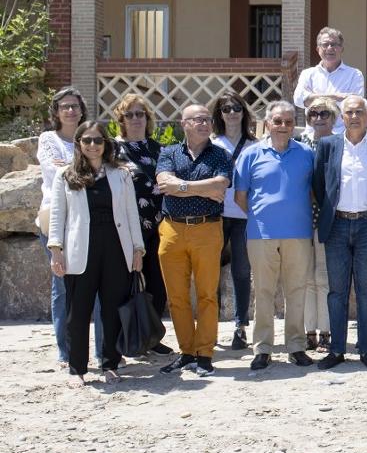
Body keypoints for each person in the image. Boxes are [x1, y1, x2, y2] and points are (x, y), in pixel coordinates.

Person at [46, 122, 145, 386]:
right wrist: (56, 250)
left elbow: (131, 214)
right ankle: (77, 368)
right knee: (78, 312)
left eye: (98, 140)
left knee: (112, 310)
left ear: (106, 143)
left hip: (116, 247)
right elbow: (57, 216)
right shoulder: (65, 175)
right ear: (78, 142)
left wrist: (138, 248)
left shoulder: (120, 174)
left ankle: (110, 364)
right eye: (87, 140)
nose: (92, 145)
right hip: (80, 250)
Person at [311, 95, 367, 370]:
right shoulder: (328, 145)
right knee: (337, 291)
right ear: (342, 116)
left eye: (359, 112)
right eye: (348, 112)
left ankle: (366, 349)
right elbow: (318, 183)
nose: (353, 116)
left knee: (366, 290)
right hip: (337, 225)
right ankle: (337, 350)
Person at [232, 101, 317, 370]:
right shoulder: (251, 154)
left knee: (296, 291)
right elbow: (240, 197)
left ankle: (296, 346)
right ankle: (263, 348)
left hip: (298, 233)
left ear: (294, 125)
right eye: (277, 121)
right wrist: (263, 216)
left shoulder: (306, 154)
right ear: (268, 123)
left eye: (289, 122)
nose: (283, 126)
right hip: (261, 234)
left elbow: (313, 192)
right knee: (265, 292)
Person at [155, 103, 232, 376]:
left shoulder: (220, 155)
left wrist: (181, 187)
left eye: (207, 119)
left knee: (207, 295)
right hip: (172, 231)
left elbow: (220, 185)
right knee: (176, 297)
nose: (204, 123)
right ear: (184, 124)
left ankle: (205, 354)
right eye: (197, 119)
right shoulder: (168, 152)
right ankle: (186, 352)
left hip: (207, 230)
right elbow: (164, 183)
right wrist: (202, 189)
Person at [111, 94, 171, 353]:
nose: (136, 119)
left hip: (159, 226)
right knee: (124, 283)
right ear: (121, 120)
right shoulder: (112, 150)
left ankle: (151, 337)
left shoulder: (161, 150)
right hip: (125, 227)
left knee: (158, 283)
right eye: (130, 115)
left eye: (140, 114)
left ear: (148, 118)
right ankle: (124, 337)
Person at [37, 86, 88, 367]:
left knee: (91, 288)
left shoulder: (88, 136)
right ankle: (64, 350)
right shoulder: (48, 138)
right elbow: (52, 171)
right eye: (64, 106)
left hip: (86, 222)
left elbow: (95, 168)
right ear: (56, 112)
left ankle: (95, 348)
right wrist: (82, 165)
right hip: (54, 219)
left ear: (82, 110)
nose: (70, 111)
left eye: (75, 106)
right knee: (62, 288)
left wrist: (70, 165)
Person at [209, 90, 258, 351]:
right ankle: (211, 326)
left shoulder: (254, 145)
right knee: (211, 273)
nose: (231, 113)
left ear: (244, 112)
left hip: (243, 216)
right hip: (215, 216)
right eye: (226, 109)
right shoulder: (211, 143)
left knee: (241, 271)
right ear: (219, 114)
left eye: (236, 108)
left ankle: (240, 326)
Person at [299, 96, 338, 351]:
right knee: (304, 277)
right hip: (300, 218)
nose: (318, 118)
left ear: (334, 117)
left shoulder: (340, 144)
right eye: (313, 113)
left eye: (324, 113)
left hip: (328, 218)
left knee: (324, 277)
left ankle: (326, 331)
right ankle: (307, 331)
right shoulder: (299, 145)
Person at [293, 26, 366, 134]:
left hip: (342, 136)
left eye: (334, 44)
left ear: (342, 48)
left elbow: (355, 104)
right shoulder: (307, 74)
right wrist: (337, 97)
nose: (330, 48)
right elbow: (299, 100)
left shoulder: (355, 75)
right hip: (312, 136)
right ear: (318, 49)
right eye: (325, 44)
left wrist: (313, 98)